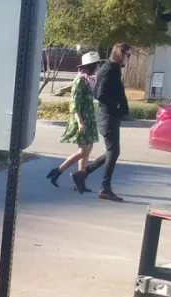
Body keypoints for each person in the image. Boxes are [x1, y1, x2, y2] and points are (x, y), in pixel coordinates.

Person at [73, 43, 131, 202]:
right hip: (108, 117)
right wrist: (116, 107)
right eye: (128, 55)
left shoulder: (112, 69)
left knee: (113, 152)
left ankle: (82, 174)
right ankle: (104, 188)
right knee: (113, 152)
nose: (129, 58)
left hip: (110, 117)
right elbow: (99, 93)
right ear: (120, 53)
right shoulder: (109, 70)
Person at [46, 52, 102, 191]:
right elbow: (74, 103)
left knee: (87, 151)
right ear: (91, 66)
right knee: (83, 151)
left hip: (88, 118)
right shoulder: (79, 81)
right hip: (81, 119)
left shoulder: (87, 80)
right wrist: (80, 121)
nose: (97, 67)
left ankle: (80, 181)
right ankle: (58, 170)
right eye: (96, 65)